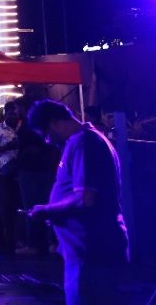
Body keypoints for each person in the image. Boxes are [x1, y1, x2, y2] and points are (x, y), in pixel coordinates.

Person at [26, 100, 130, 305]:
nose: (47, 141)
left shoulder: (84, 143)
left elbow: (85, 198)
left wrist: (48, 210)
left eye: (45, 133)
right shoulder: (83, 141)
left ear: (54, 122)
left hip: (91, 250)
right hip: (86, 250)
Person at [16, 101, 58, 255]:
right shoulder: (44, 126)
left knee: (31, 206)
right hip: (45, 168)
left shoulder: (28, 126)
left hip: (30, 169)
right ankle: (51, 242)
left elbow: (24, 146)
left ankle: (34, 244)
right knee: (49, 203)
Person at [0, 101, 21, 251]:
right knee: (6, 204)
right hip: (3, 171)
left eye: (16, 114)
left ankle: (19, 236)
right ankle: (7, 235)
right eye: (12, 114)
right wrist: (8, 146)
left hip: (21, 171)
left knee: (19, 204)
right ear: (5, 114)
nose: (15, 117)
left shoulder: (22, 128)